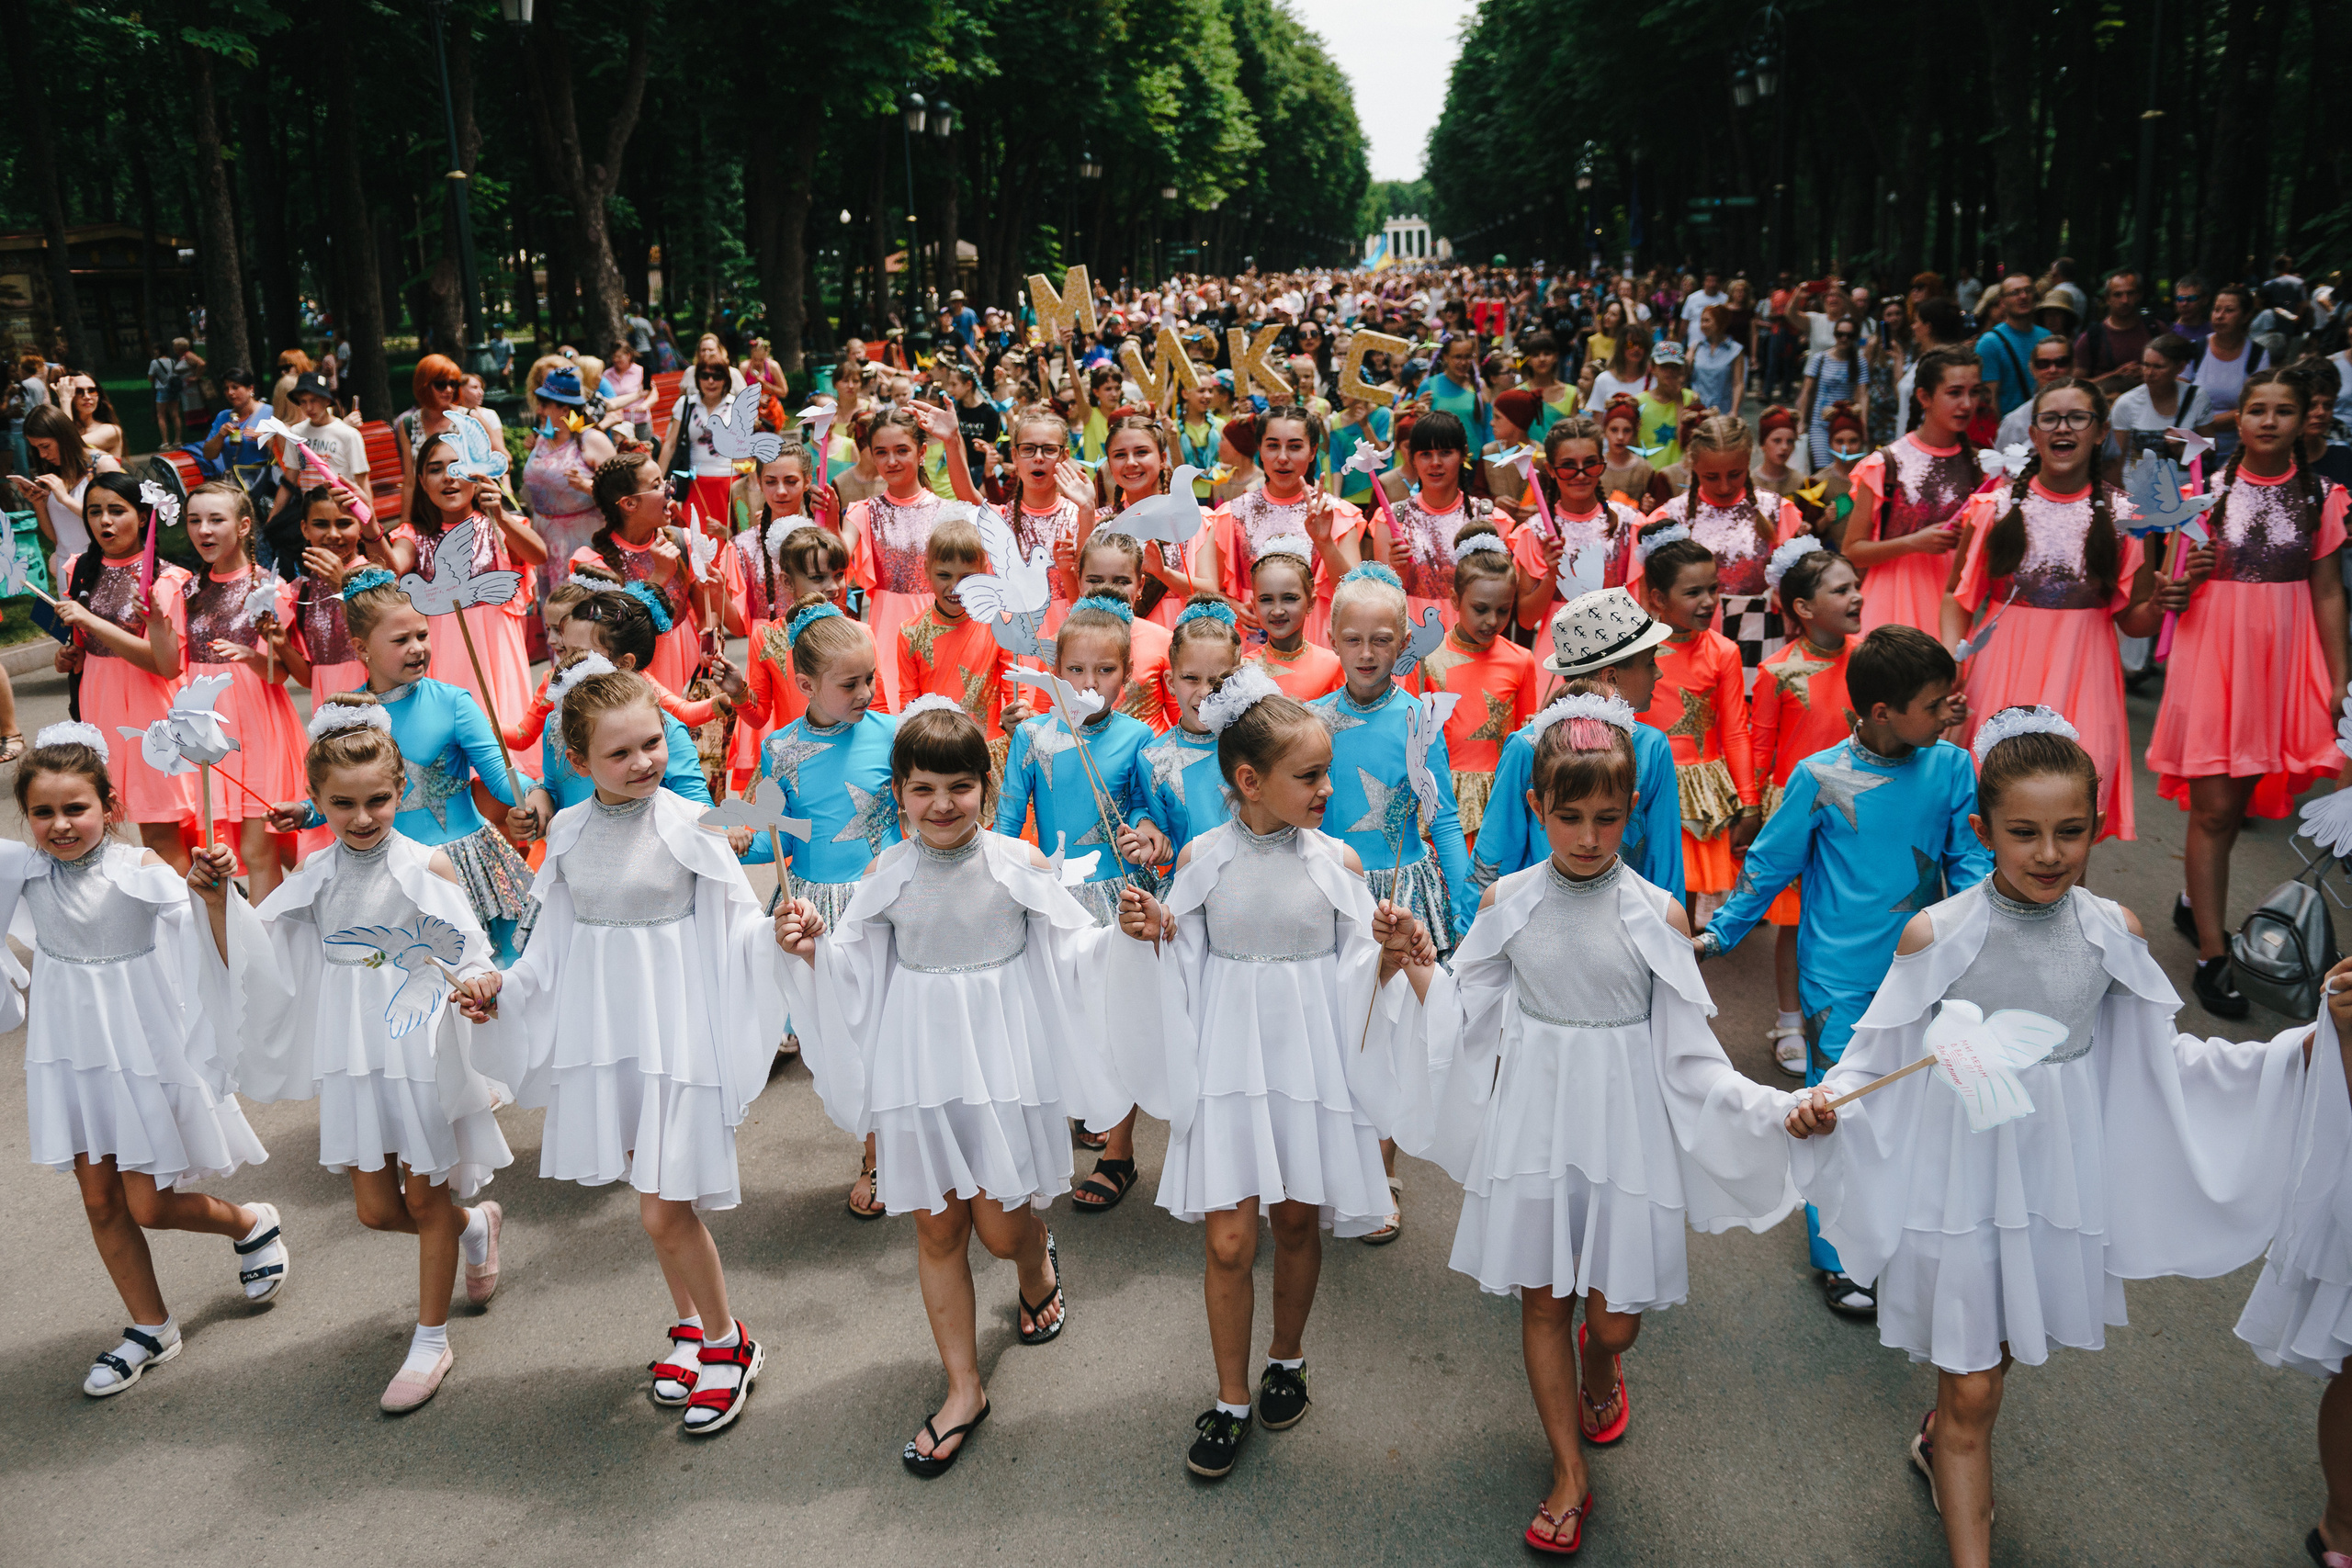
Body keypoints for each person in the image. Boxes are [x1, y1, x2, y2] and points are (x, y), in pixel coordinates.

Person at [1785, 709, 2311, 1568]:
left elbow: (2166, 1058)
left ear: (2096, 825)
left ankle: (1944, 1436)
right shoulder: (1938, 932)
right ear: (1981, 830)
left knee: (1993, 1363)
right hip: (1960, 1178)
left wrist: (2301, 1051)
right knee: (1974, 1390)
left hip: (2050, 1180)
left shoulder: (2112, 932)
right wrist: (1827, 1102)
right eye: (2023, 832)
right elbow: (1874, 1054)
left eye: (2070, 831)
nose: (2049, 853)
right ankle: (1961, 1485)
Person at [1394, 682, 1797, 1556]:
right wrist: (1418, 961)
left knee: (1614, 1318)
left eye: (1607, 819)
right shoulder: (1508, 904)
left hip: (1626, 1129)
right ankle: (1568, 1471)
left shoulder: (1659, 913)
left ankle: (1603, 1357)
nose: (1586, 837)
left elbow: (1692, 1054)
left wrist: (1779, 1109)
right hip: (1536, 1122)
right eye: (1568, 817)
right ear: (1537, 805)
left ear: (1631, 809)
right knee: (1543, 1299)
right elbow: (1463, 1012)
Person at [776, 702, 1129, 1473]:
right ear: (898, 792)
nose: (942, 804)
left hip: (1002, 1064)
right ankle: (964, 1388)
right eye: (924, 788)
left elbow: (1077, 954)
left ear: (986, 787)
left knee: (1000, 1231)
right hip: (919, 1067)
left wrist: (1127, 939)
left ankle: (1034, 1263)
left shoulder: (1018, 864)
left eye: (960, 786)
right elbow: (855, 969)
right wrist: (811, 952)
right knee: (937, 1231)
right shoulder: (886, 874)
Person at [1104, 667, 1430, 1480]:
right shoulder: (1204, 856)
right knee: (1227, 1240)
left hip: (1308, 1065)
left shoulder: (1338, 860)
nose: (1327, 788)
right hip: (1228, 1064)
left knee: (1294, 1224)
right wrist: (1158, 927)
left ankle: (1286, 1356)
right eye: (1310, 775)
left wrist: (1389, 955)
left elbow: (1359, 968)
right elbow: (1185, 953)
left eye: (1326, 772)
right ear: (1250, 781)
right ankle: (1229, 1397)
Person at [467, 671, 782, 1437]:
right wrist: (501, 986)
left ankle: (729, 1343)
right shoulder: (569, 832)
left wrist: (781, 938)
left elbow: (741, 924)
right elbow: (549, 947)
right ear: (577, 760)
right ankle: (692, 1327)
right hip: (613, 1040)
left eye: (653, 742)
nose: (643, 761)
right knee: (657, 1196)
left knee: (662, 1209)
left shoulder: (691, 822)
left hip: (678, 1036)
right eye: (620, 753)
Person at [215, 695, 512, 1411]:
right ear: (316, 800)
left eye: (377, 799)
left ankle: (431, 1340)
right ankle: (476, 1224)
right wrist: (212, 898)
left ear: (400, 789)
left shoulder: (427, 864)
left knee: (425, 1196)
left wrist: (478, 983)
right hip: (353, 1049)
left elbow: (472, 952)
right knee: (377, 1210)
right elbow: (254, 958)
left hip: (417, 1042)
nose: (362, 817)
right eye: (342, 803)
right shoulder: (314, 875)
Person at [1697, 623, 1990, 1315]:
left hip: (1924, 973)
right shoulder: (1818, 775)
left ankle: (1900, 1231)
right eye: (1933, 704)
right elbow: (1771, 863)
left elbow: (1970, 864)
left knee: (1915, 1103)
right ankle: (1839, 1255)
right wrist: (1720, 935)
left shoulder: (1953, 767)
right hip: (1836, 978)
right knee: (1836, 1108)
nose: (1947, 713)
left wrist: (1988, 936)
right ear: (1882, 711)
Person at [12, 718, 286, 1404]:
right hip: (71, 1053)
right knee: (99, 1199)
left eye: (76, 807)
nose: (60, 824)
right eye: (42, 812)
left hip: (138, 1048)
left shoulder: (139, 871)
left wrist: (213, 894)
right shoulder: (23, 872)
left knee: (151, 1204)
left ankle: (250, 1222)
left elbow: (212, 943)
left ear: (111, 806)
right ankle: (151, 1327)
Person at [2149, 368, 2345, 1016]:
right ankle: (2213, 952)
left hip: (2280, 667)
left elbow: (2327, 591)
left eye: (2283, 410)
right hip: (2212, 659)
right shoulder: (2202, 492)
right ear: (2239, 418)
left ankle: (2191, 902)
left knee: (2237, 804)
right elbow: (2168, 593)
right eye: (2257, 408)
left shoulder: (2322, 495)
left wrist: (2339, 679)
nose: (2268, 420)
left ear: (2304, 418)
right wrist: (2189, 574)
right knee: (2213, 809)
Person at [1947, 378, 2169, 848]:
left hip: (2086, 680)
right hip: (2001, 675)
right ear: (2033, 432)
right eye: (2050, 419)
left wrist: (2160, 606)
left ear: (2101, 430)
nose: (2062, 428)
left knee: (2071, 827)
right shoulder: (1994, 508)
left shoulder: (2128, 516)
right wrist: (1952, 662)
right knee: (1994, 823)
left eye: (2077, 418)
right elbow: (1957, 598)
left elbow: (2134, 621)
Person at [266, 571, 534, 960]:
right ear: (362, 648)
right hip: (389, 871)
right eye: (401, 640)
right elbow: (353, 794)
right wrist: (307, 812)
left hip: (464, 867)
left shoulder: (453, 703)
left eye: (422, 635)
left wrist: (536, 795)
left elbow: (498, 775)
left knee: (480, 969)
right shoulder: (347, 715)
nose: (417, 648)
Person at [745, 593, 899, 1212]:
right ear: (806, 684)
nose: (866, 692)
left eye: (871, 678)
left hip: (884, 903)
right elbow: (777, 836)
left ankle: (908, 1142)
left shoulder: (892, 732)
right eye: (850, 683)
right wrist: (743, 838)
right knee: (850, 1038)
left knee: (894, 1028)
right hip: (819, 913)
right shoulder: (780, 749)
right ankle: (875, 1151)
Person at [1743, 541, 1863, 1073]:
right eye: (1841, 590)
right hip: (1800, 812)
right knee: (1795, 921)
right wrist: (1752, 811)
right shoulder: (1776, 670)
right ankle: (1790, 1019)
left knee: (1853, 911)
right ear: (1803, 608)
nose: (1856, 596)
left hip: (1862, 806)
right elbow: (1761, 745)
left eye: (1856, 586)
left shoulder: (1870, 658)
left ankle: (1851, 1016)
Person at [994, 597, 1169, 925]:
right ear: (1057, 670)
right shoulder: (1031, 735)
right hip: (1055, 890)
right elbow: (1008, 820)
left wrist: (1145, 825)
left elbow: (1139, 804)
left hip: (1124, 891)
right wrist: (998, 879)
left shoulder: (1139, 736)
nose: (1090, 682)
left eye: (1106, 670)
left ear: (1127, 672)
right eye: (1076, 670)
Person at [50, 476, 194, 863]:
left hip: (150, 710)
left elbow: (165, 666)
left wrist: (93, 623)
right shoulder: (79, 569)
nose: (104, 521)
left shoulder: (167, 579)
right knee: (99, 827)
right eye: (94, 512)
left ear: (143, 517)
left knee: (161, 831)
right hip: (98, 703)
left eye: (117, 510)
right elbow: (84, 644)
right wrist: (70, 656)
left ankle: (186, 902)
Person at [177, 481, 304, 899]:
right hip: (207, 728)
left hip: (256, 725)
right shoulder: (187, 590)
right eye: (194, 520)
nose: (204, 530)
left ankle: (272, 939)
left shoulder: (267, 588)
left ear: (244, 525)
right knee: (227, 846)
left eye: (216, 519)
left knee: (258, 847)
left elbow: (279, 674)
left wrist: (249, 655)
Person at [1645, 414, 1805, 681]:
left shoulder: (1776, 511)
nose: (1724, 486)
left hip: (1759, 635)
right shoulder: (1670, 518)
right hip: (1691, 640)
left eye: (1735, 474)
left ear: (1748, 462)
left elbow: (1798, 582)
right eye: (1711, 477)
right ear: (1693, 466)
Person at [1408, 524, 1542, 838]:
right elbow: (1414, 736)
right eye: (1480, 609)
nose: (1492, 621)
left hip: (1501, 798)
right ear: (1455, 599)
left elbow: (1525, 739)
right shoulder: (1427, 657)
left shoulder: (1521, 660)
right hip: (1442, 799)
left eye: (1503, 610)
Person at [1844, 345, 1981, 635]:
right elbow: (1852, 550)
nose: (1967, 404)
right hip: (1890, 605)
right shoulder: (1885, 464)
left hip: (1952, 608)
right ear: (1924, 397)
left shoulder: (1981, 467)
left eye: (1974, 392)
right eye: (1955, 393)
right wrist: (1913, 543)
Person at [1216, 406, 1366, 647]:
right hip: (1251, 644)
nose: (1283, 457)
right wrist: (1234, 607)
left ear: (1312, 451)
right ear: (1259, 450)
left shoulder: (1337, 513)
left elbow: (1355, 593)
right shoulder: (1232, 514)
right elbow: (1209, 590)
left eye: (1295, 447)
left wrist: (1325, 543)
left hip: (1317, 643)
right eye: (1273, 446)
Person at [1511, 416, 1645, 638]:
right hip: (1557, 650)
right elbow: (1526, 620)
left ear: (1602, 463)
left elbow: (1643, 605)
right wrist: (1551, 575)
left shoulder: (1630, 523)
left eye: (1590, 463)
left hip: (1618, 644)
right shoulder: (1534, 532)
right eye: (1568, 466)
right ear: (1551, 469)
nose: (1581, 474)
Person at [15, 402, 122, 563]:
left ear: (64, 437)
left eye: (45, 446)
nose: (42, 455)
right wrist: (38, 504)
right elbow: (58, 539)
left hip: (100, 564)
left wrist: (65, 499)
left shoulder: (102, 465)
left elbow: (114, 521)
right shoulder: (54, 472)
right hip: (66, 565)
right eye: (36, 448)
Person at [1243, 536, 1342, 701]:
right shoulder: (1244, 669)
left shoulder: (1334, 665)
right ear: (1254, 605)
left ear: (1310, 603)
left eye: (1289, 598)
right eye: (1266, 600)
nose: (1277, 611)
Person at [2185, 283, 2269, 456]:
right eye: (2216, 310)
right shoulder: (2195, 349)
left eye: (2229, 310)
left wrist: (2202, 422)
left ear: (2246, 316)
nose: (2219, 316)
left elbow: (2256, 406)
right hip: (2193, 450)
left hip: (2238, 450)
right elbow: (2178, 397)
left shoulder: (2257, 355)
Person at [2107, 333, 2212, 458]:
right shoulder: (2126, 403)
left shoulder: (2196, 397)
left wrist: (2184, 444)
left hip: (2182, 471)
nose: (2149, 373)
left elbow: (2210, 449)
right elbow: (2116, 458)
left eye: (2158, 367)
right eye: (2146, 365)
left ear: (2180, 367)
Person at [1973, 275, 2052, 416]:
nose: (2023, 296)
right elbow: (1990, 399)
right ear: (2002, 302)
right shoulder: (1990, 343)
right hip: (2010, 425)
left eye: (2028, 290)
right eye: (2015, 292)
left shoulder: (2046, 337)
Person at [1799, 316, 1867, 468]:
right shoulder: (1820, 358)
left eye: (1849, 335)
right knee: (1822, 467)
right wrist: (1802, 421)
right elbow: (1807, 391)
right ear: (1834, 335)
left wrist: (1863, 424)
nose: (1844, 338)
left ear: (1855, 338)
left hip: (1845, 425)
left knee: (1843, 469)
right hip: (1820, 423)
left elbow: (1863, 395)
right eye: (1839, 334)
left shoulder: (1859, 362)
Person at [1991, 337, 2079, 451]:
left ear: (2073, 366)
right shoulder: (2014, 422)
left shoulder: (2092, 412)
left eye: (2061, 362)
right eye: (2043, 364)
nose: (2052, 369)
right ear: (2032, 369)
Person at [2074, 271, 2151, 389]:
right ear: (2107, 299)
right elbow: (2076, 384)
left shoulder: (2155, 329)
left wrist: (2149, 372)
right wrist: (2115, 376)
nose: (2125, 300)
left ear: (2139, 295)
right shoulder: (2091, 337)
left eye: (2130, 293)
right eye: (2117, 295)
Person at [597, 342, 655, 447]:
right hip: (618, 425)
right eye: (613, 357)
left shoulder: (640, 371)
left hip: (639, 421)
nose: (615, 360)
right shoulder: (607, 375)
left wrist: (645, 405)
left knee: (642, 450)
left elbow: (653, 394)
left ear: (629, 355)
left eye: (619, 357)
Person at [1690, 306, 1745, 415]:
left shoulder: (1735, 350)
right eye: (1701, 321)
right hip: (1698, 410)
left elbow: (1738, 384)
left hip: (1723, 411)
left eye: (1707, 321)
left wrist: (1734, 411)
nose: (1703, 325)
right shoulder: (1696, 347)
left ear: (1720, 322)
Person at [149, 342, 187, 446]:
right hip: (174, 389)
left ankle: (165, 441)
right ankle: (178, 439)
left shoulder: (155, 362)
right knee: (175, 414)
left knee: (161, 415)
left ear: (158, 350)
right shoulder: (173, 361)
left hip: (162, 389)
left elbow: (150, 377)